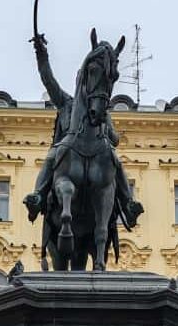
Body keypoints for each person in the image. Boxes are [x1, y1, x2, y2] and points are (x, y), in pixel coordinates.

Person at [23, 32, 141, 227]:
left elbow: (115, 139)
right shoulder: (66, 103)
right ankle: (37, 197)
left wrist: (109, 132)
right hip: (68, 157)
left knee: (115, 161)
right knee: (52, 156)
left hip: (96, 158)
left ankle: (128, 204)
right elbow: (48, 80)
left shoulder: (102, 110)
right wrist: (41, 54)